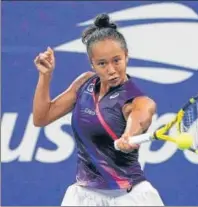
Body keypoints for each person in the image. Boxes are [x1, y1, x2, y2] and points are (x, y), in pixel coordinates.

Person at [33, 13, 164, 206]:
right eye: (102, 63)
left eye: (117, 60)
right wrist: (45, 76)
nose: (111, 69)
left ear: (127, 57)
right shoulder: (84, 83)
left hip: (130, 197)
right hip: (83, 196)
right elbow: (41, 118)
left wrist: (129, 134)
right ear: (92, 64)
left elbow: (140, 116)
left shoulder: (137, 99)